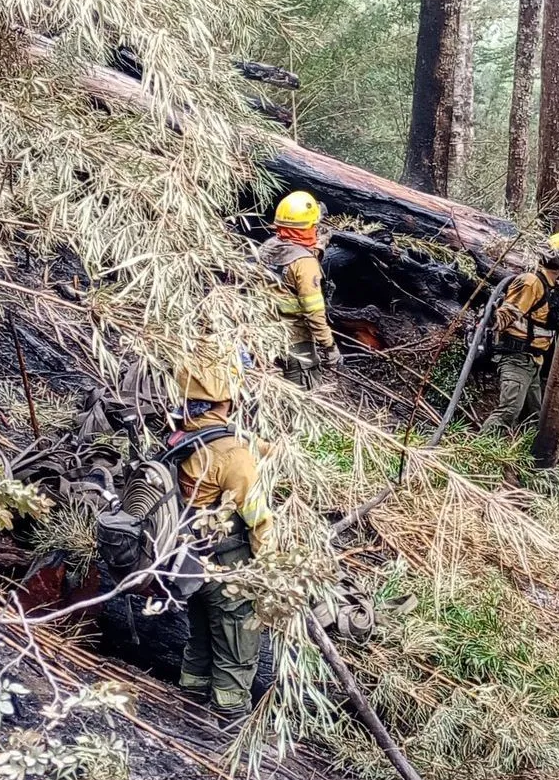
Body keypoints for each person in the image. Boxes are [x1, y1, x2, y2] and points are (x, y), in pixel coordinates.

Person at [175, 356, 273, 720]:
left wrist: (277, 451)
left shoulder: (183, 433)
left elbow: (228, 443)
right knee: (237, 648)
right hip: (227, 568)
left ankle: (188, 708)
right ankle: (226, 725)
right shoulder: (234, 456)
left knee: (199, 641)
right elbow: (259, 520)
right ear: (227, 400)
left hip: (189, 561)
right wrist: (266, 578)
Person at [480, 232, 559, 434]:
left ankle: (518, 461)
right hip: (516, 358)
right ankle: (475, 455)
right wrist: (493, 320)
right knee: (508, 412)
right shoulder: (531, 282)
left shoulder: (553, 291)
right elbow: (507, 314)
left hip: (533, 362)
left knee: (534, 418)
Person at [259, 190, 340, 388]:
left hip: (263, 333)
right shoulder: (305, 264)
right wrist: (329, 346)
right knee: (303, 395)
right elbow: (313, 312)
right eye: (314, 225)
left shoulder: (266, 248)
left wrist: (320, 244)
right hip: (295, 340)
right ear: (308, 227)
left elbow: (292, 254)